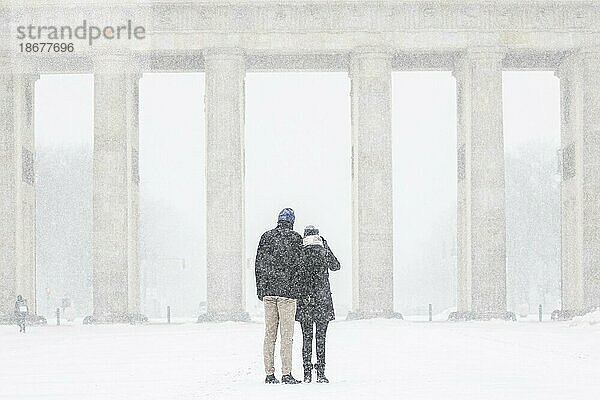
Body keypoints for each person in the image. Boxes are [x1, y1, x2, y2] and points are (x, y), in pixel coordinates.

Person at [255, 208, 303, 384]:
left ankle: (269, 373)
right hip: (287, 294)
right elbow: (300, 268)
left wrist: (260, 289)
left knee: (269, 334)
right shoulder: (296, 238)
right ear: (292, 222)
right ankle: (286, 373)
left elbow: (258, 264)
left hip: (269, 293)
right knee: (286, 335)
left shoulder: (266, 237)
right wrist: (299, 290)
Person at [295, 225, 340, 383]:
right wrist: (325, 249)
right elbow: (336, 266)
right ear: (318, 235)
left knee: (306, 338)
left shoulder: (301, 247)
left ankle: (307, 373)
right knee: (321, 338)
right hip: (322, 299)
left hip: (306, 299)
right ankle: (321, 373)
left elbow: (296, 272)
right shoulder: (323, 247)